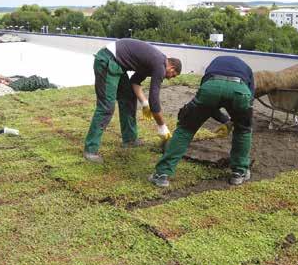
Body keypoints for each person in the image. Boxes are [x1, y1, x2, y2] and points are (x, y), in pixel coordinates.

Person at [149, 55, 254, 187]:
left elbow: (208, 105)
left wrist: (225, 121)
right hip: (240, 90)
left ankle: (161, 175)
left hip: (211, 88)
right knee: (243, 131)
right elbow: (249, 101)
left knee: (185, 130)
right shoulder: (247, 70)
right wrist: (231, 121)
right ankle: (239, 173)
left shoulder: (214, 65)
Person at [84, 38, 182, 163]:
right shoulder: (160, 65)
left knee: (129, 98)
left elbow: (135, 82)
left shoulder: (153, 62)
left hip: (118, 64)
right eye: (172, 75)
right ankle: (90, 150)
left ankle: (130, 140)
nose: (169, 78)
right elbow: (154, 98)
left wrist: (144, 103)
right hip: (108, 60)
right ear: (172, 67)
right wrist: (162, 126)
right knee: (106, 107)